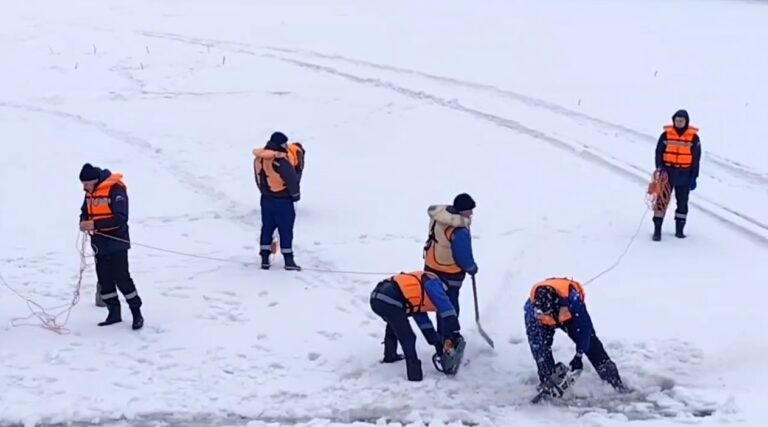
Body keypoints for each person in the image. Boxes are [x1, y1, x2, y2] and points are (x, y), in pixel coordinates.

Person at [524, 277, 625, 394]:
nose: (539, 315)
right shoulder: (532, 312)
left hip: (570, 317)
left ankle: (613, 381)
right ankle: (548, 385)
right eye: (538, 313)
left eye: (543, 313)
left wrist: (578, 355)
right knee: (541, 352)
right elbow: (536, 343)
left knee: (592, 345)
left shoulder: (573, 300)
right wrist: (545, 369)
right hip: (544, 326)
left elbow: (585, 331)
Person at [79, 163, 144, 330]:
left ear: (94, 181)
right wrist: (83, 222)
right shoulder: (89, 192)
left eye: (86, 184)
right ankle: (113, 312)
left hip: (117, 242)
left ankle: (136, 312)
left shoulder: (116, 189)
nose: (84, 188)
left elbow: (121, 217)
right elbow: (84, 211)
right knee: (104, 279)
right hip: (99, 243)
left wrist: (94, 224)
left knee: (122, 278)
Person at [370, 271, 465, 381]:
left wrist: (437, 344)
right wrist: (454, 332)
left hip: (377, 298)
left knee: (394, 325)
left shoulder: (418, 294)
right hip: (390, 299)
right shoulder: (434, 284)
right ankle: (414, 375)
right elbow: (447, 309)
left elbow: (424, 324)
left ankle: (390, 355)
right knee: (408, 337)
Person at [423, 193, 478, 334]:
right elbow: (463, 255)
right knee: (450, 306)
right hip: (449, 272)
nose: (472, 213)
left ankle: (443, 334)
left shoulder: (440, 218)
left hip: (431, 266)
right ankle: (449, 336)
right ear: (462, 210)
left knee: (439, 302)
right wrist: (471, 268)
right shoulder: (458, 229)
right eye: (469, 210)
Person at [253, 132, 301, 270]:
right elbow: (292, 180)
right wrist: (295, 195)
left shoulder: (258, 159)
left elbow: (258, 178)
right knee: (285, 230)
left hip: (266, 199)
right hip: (283, 200)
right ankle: (289, 261)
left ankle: (264, 259)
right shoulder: (280, 161)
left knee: (267, 228)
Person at [652, 109, 701, 241]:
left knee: (683, 203)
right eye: (677, 120)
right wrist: (659, 168)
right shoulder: (666, 135)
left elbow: (696, 159)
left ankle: (679, 230)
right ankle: (657, 230)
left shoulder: (694, 138)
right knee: (661, 201)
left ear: (686, 122)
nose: (679, 123)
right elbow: (659, 152)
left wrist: (693, 177)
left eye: (681, 121)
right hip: (667, 173)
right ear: (673, 121)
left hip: (684, 174)